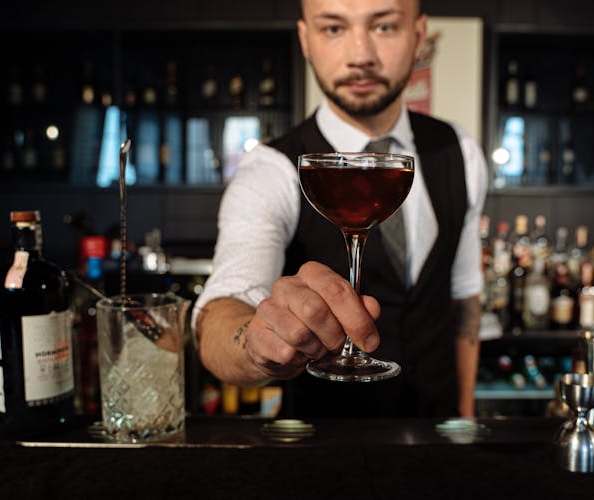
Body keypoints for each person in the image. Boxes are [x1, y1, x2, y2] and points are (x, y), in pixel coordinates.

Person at [193, 0, 489, 418]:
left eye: (384, 27)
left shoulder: (460, 152)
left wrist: (465, 419)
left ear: (418, 36)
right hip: (326, 456)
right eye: (333, 29)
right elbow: (221, 309)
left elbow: (463, 300)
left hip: (438, 443)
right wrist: (256, 343)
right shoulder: (272, 170)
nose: (360, 55)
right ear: (306, 40)